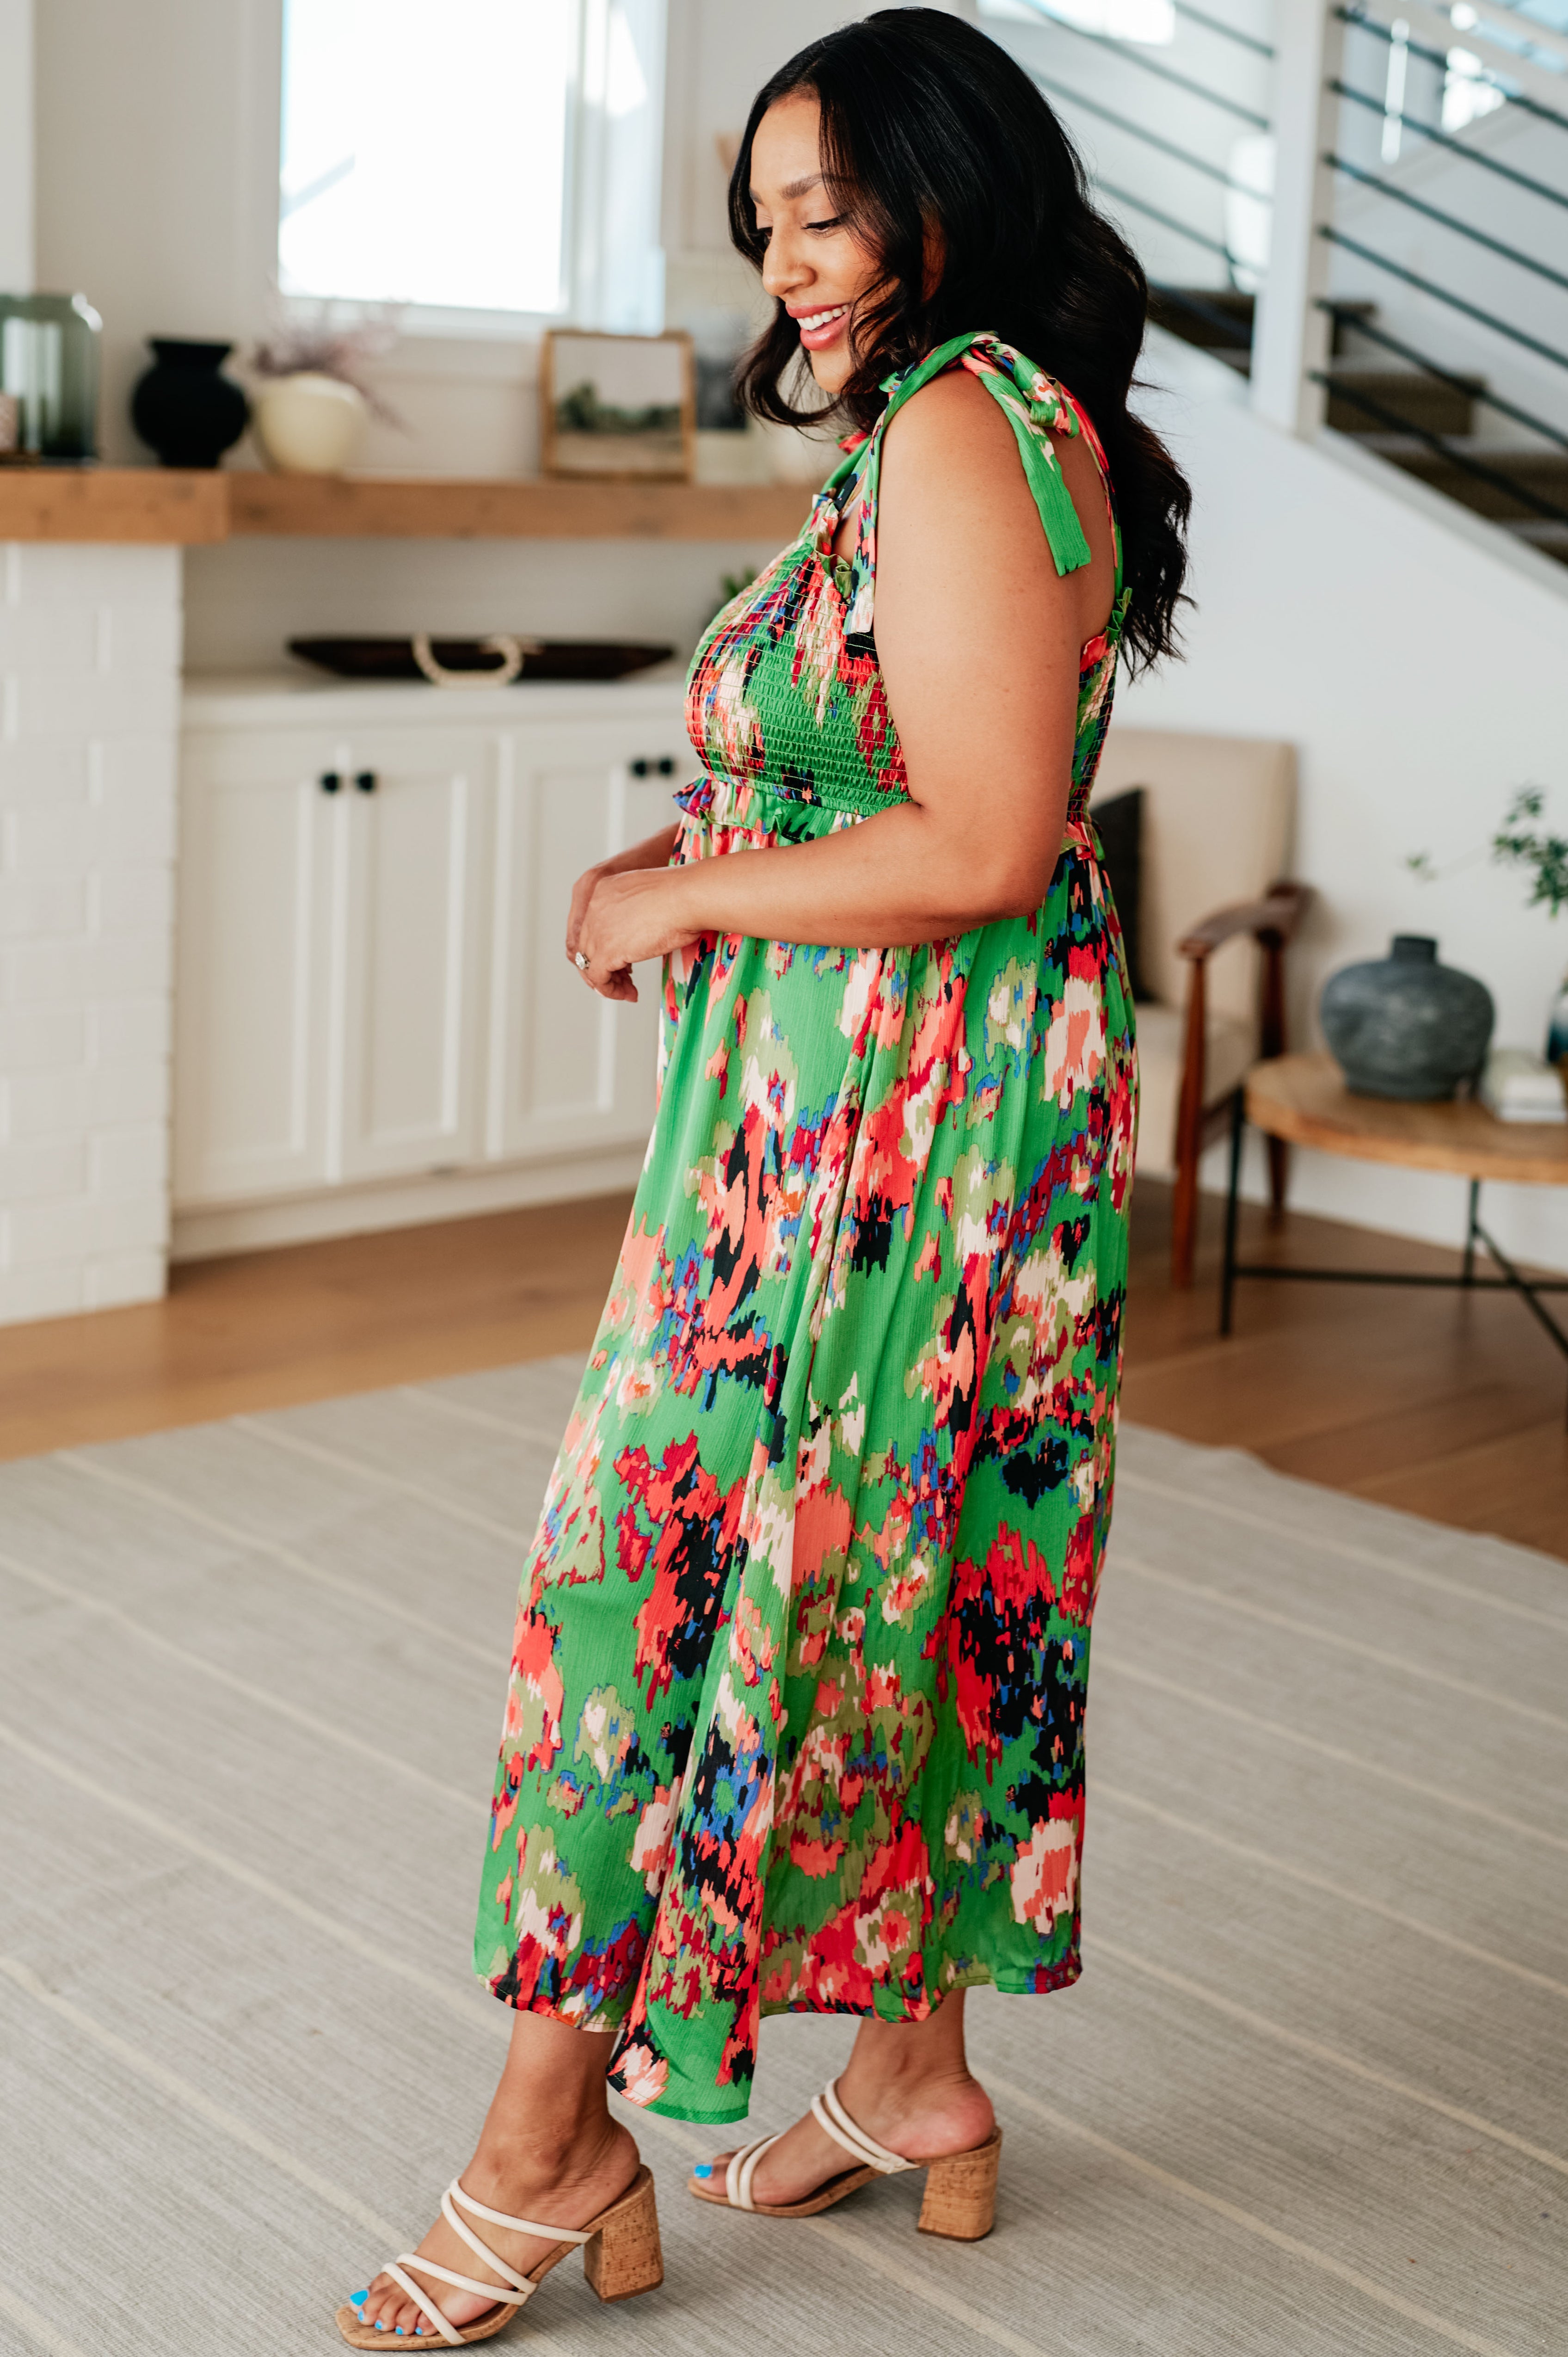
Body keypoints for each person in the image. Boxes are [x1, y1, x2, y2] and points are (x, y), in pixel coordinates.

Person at [338, 10, 1189, 2344]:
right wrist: (700, 843)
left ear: (950, 191)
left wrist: (693, 899)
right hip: (885, 1112)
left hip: (894, 1139)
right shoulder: (973, 417)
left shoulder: (959, 424)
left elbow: (987, 841)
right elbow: (896, 769)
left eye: (827, 210)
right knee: (888, 1562)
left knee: (661, 1575)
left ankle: (545, 2143)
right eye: (765, 222)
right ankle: (910, 2073)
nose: (789, 261)